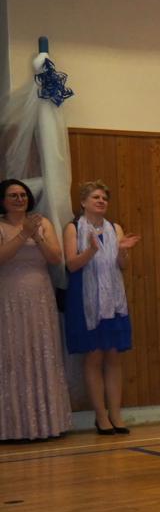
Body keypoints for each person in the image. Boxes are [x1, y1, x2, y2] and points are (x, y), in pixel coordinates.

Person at [62, 181, 139, 434]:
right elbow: (72, 265)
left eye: (104, 198)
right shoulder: (73, 228)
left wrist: (123, 251)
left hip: (113, 300)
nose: (101, 201)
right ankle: (101, 416)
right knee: (94, 355)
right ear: (83, 202)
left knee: (113, 355)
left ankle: (116, 414)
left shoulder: (115, 228)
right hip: (86, 299)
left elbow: (122, 265)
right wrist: (91, 250)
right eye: (96, 197)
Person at [0, 178, 72, 441]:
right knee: (13, 354)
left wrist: (36, 235)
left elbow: (55, 257)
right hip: (9, 297)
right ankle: (13, 427)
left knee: (41, 352)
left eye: (23, 195)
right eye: (13, 195)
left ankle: (46, 424)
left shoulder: (42, 223)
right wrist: (23, 234)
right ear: (3, 200)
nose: (20, 199)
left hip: (40, 297)